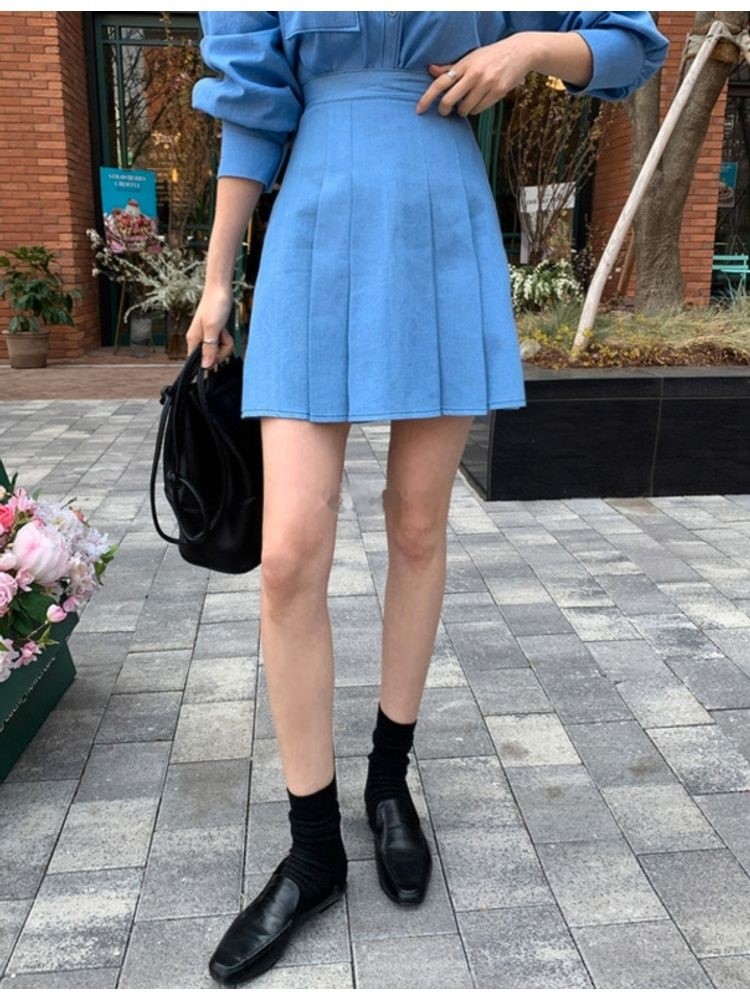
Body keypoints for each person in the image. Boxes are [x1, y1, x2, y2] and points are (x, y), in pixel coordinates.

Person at [186, 11, 669, 987]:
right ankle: (312, 850)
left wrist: (528, 52)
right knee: (289, 553)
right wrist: (216, 278)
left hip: (438, 214)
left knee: (417, 524)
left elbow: (629, 41)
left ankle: (387, 779)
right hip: (314, 216)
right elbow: (251, 100)